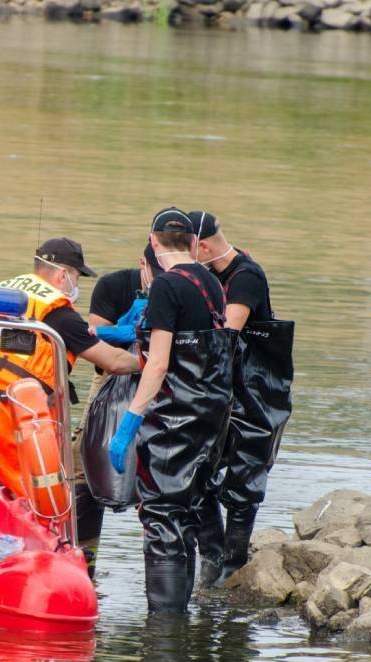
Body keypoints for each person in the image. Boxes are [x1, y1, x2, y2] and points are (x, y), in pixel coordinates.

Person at [107, 208, 235, 614]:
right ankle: (184, 614)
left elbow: (158, 362)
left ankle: (164, 630)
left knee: (162, 516)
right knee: (190, 509)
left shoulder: (165, 285)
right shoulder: (210, 282)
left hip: (175, 418)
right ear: (192, 242)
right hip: (213, 413)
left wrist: (130, 421)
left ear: (154, 240)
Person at [0, 237, 140, 506]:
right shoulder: (58, 313)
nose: (76, 285)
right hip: (13, 419)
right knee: (36, 503)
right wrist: (150, 361)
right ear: (63, 274)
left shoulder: (3, 292)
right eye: (77, 277)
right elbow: (112, 361)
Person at [187, 211, 286, 588]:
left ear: (204, 246)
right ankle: (210, 554)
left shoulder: (246, 277)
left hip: (256, 391)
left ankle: (234, 562)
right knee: (199, 469)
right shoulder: (207, 274)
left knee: (244, 477)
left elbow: (228, 333)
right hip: (220, 387)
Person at [75, 244, 162, 577]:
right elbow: (100, 353)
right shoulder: (114, 286)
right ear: (143, 263)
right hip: (113, 382)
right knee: (83, 465)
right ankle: (85, 561)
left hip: (163, 386)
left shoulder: (181, 286)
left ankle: (155, 566)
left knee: (155, 476)